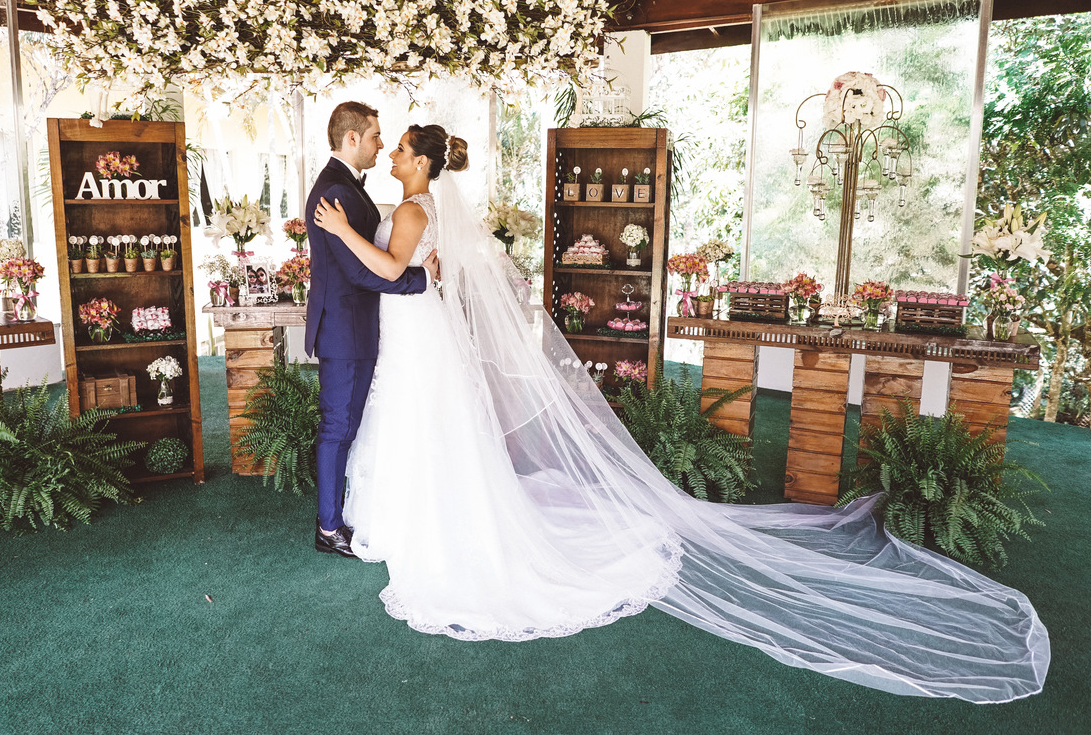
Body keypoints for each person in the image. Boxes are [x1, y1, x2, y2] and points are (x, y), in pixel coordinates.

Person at [313, 124, 1049, 703]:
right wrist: (411, 265)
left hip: (415, 335)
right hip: (420, 333)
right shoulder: (426, 209)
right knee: (429, 426)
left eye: (400, 148)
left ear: (421, 162)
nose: (392, 155)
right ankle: (423, 509)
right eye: (390, 146)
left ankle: (418, 519)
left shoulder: (411, 209)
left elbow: (393, 270)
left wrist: (345, 235)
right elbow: (421, 270)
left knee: (420, 423)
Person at [303, 102, 438, 559]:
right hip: (345, 329)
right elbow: (360, 273)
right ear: (352, 139)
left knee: (348, 425)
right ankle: (328, 527)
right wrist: (421, 279)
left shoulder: (348, 187)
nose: (382, 145)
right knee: (338, 426)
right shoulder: (335, 191)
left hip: (360, 327)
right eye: (377, 136)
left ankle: (343, 516)